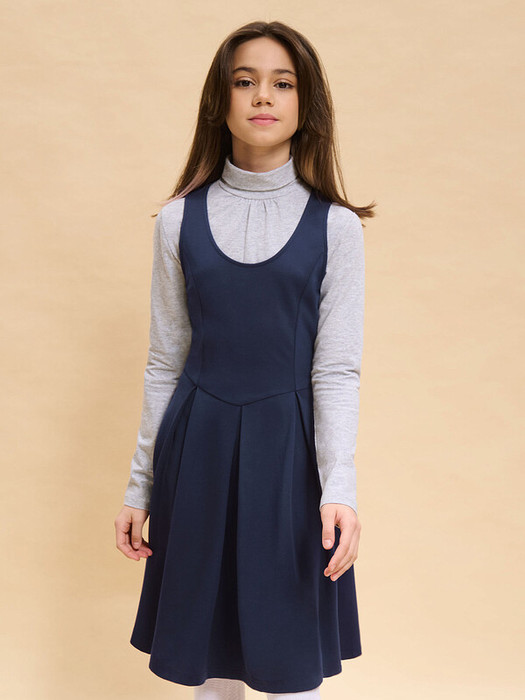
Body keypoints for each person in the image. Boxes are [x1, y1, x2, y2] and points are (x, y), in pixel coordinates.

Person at [114, 19, 375, 700]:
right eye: (244, 81)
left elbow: (335, 370)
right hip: (196, 454)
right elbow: (165, 361)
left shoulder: (337, 227)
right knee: (210, 663)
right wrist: (139, 488)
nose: (263, 96)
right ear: (219, 101)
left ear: (305, 103)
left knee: (289, 663)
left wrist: (339, 488)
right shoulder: (178, 220)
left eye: (282, 83)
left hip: (291, 463)